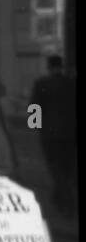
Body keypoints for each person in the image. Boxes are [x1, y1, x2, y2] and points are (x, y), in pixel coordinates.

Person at [29, 54, 77, 213]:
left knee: (55, 166)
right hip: (70, 132)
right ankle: (59, 196)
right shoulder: (71, 83)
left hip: (49, 133)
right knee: (67, 165)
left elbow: (34, 106)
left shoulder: (41, 83)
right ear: (61, 66)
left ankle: (66, 199)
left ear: (49, 67)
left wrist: (35, 127)